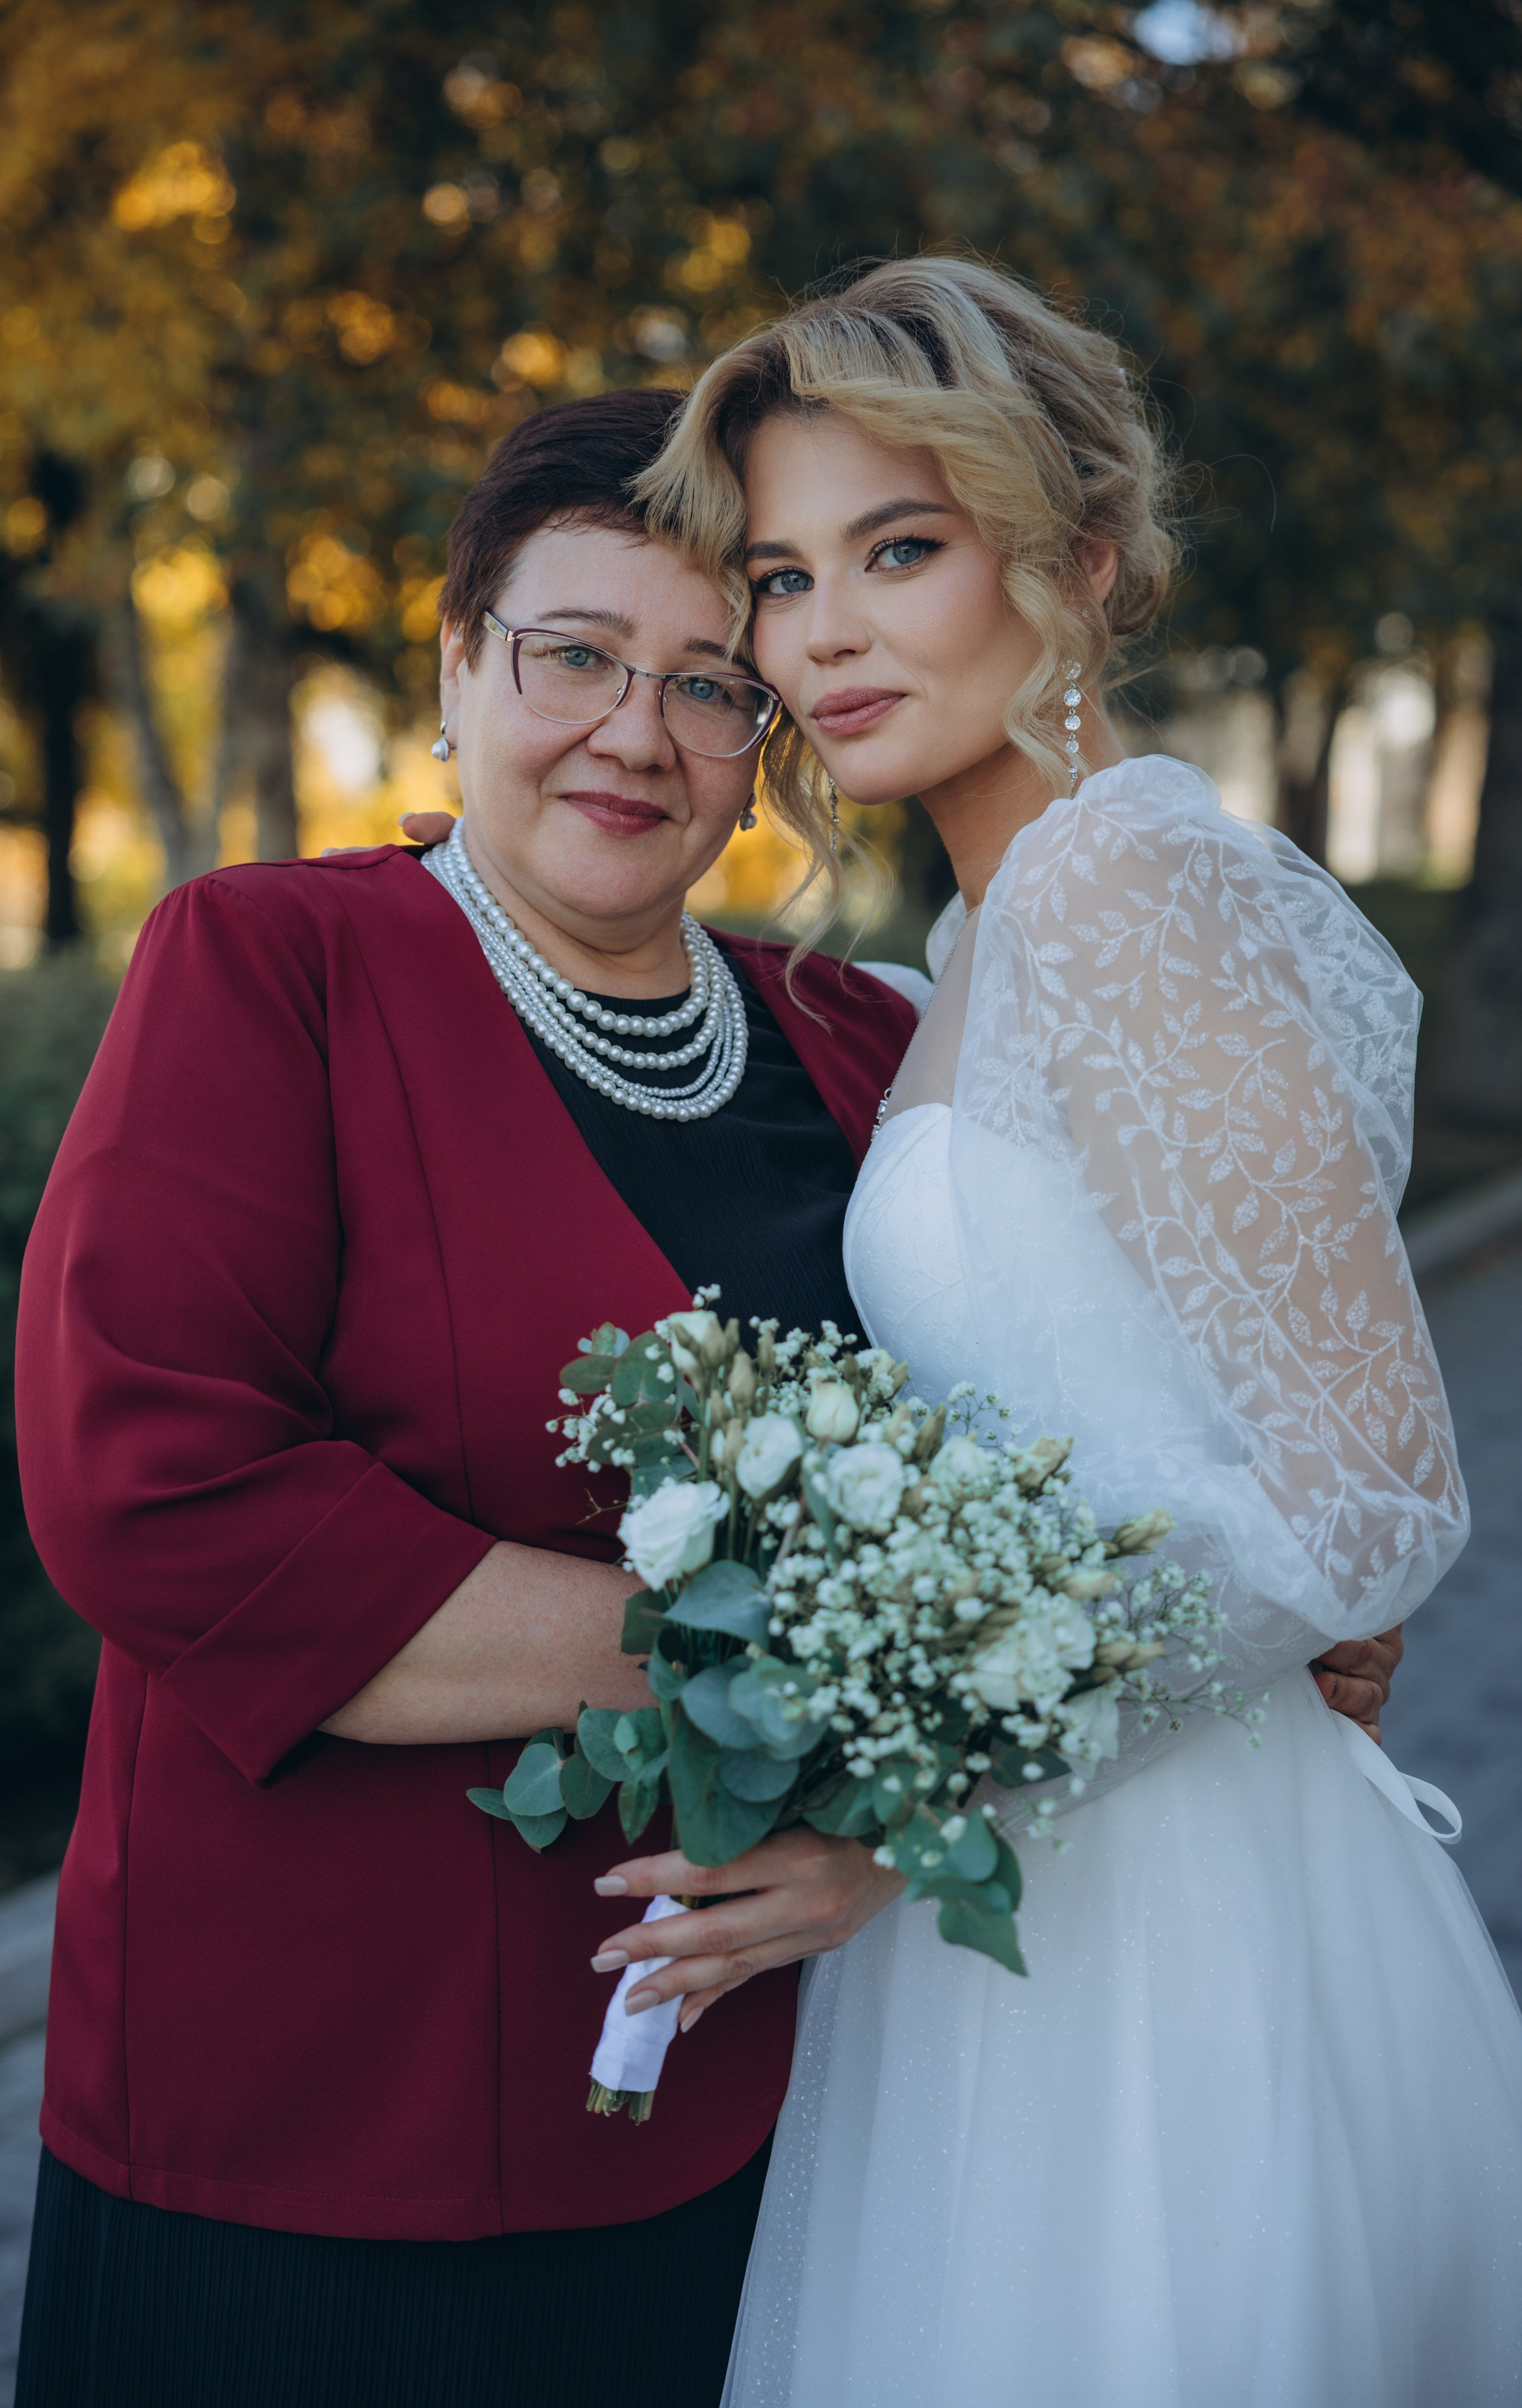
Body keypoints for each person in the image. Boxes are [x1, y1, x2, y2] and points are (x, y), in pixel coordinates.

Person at [587, 258, 1522, 2405]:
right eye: (783, 572)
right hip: (1011, 1897)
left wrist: (931, 1796)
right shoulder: (982, 936)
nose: (819, 633)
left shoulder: (1124, 890)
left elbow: (1376, 1490)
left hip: (1169, 1926)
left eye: (896, 552)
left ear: (1075, 558)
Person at [10, 388, 920, 2408]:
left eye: (707, 686)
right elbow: (155, 1490)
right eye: (574, 654)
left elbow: (1029, 1482)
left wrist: (903, 1822)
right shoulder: (274, 965)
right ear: (456, 669)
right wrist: (760, 1673)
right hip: (311, 2118)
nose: (636, 730)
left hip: (747, 2110)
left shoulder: (861, 1045)